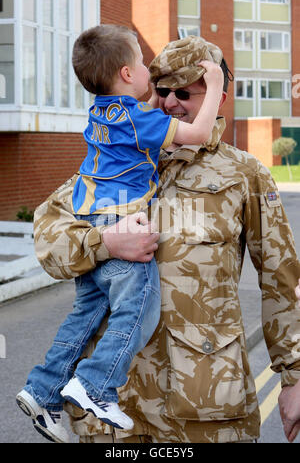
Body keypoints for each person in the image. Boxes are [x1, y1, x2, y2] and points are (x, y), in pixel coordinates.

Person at [32, 35, 300, 444]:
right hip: (111, 413)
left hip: (206, 410)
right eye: (161, 89)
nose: (171, 101)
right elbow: (48, 236)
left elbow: (281, 279)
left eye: (185, 92)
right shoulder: (116, 156)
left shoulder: (244, 175)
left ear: (217, 97)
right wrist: (104, 243)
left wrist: (294, 376)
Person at [16, 26, 224, 444]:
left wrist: (148, 98)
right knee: (140, 308)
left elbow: (138, 117)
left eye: (183, 93)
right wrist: (215, 82)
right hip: (120, 219)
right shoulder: (141, 120)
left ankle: (43, 390)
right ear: (128, 73)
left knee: (86, 315)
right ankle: (94, 384)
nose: (162, 92)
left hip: (91, 212)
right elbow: (198, 135)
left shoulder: (103, 113)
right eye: (146, 68)